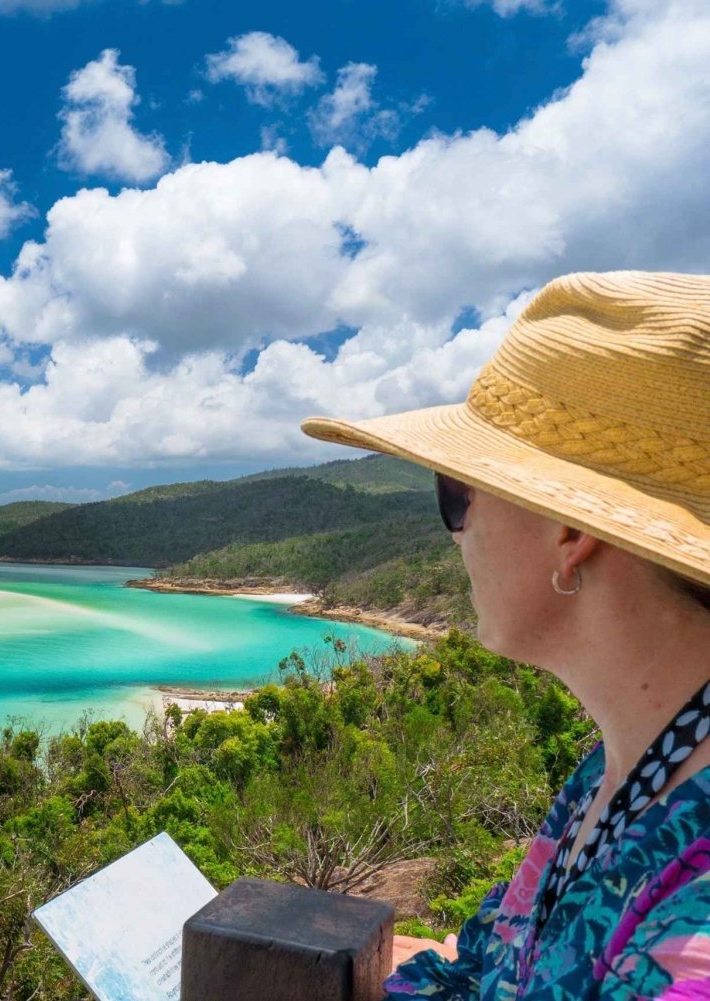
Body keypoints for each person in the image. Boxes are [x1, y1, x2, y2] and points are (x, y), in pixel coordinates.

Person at [299, 271, 710, 997]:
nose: (454, 537)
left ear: (571, 529)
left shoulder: (691, 936)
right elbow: (494, 970)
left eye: (457, 495)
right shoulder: (617, 771)